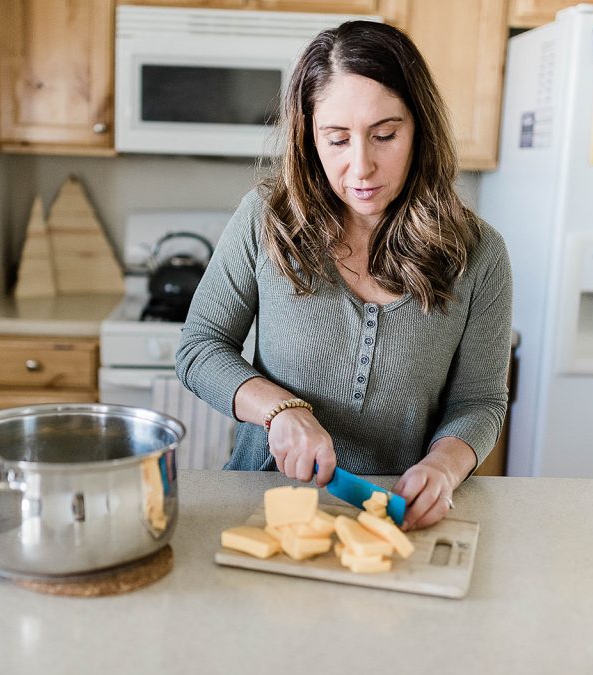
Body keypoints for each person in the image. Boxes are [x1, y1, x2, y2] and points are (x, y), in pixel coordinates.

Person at [175, 21, 512, 530]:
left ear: (419, 128)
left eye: (385, 135)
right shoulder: (266, 220)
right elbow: (199, 347)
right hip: (263, 508)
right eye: (336, 139)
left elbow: (480, 401)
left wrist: (445, 466)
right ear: (309, 137)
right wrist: (279, 411)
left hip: (394, 517)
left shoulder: (479, 255)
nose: (361, 168)